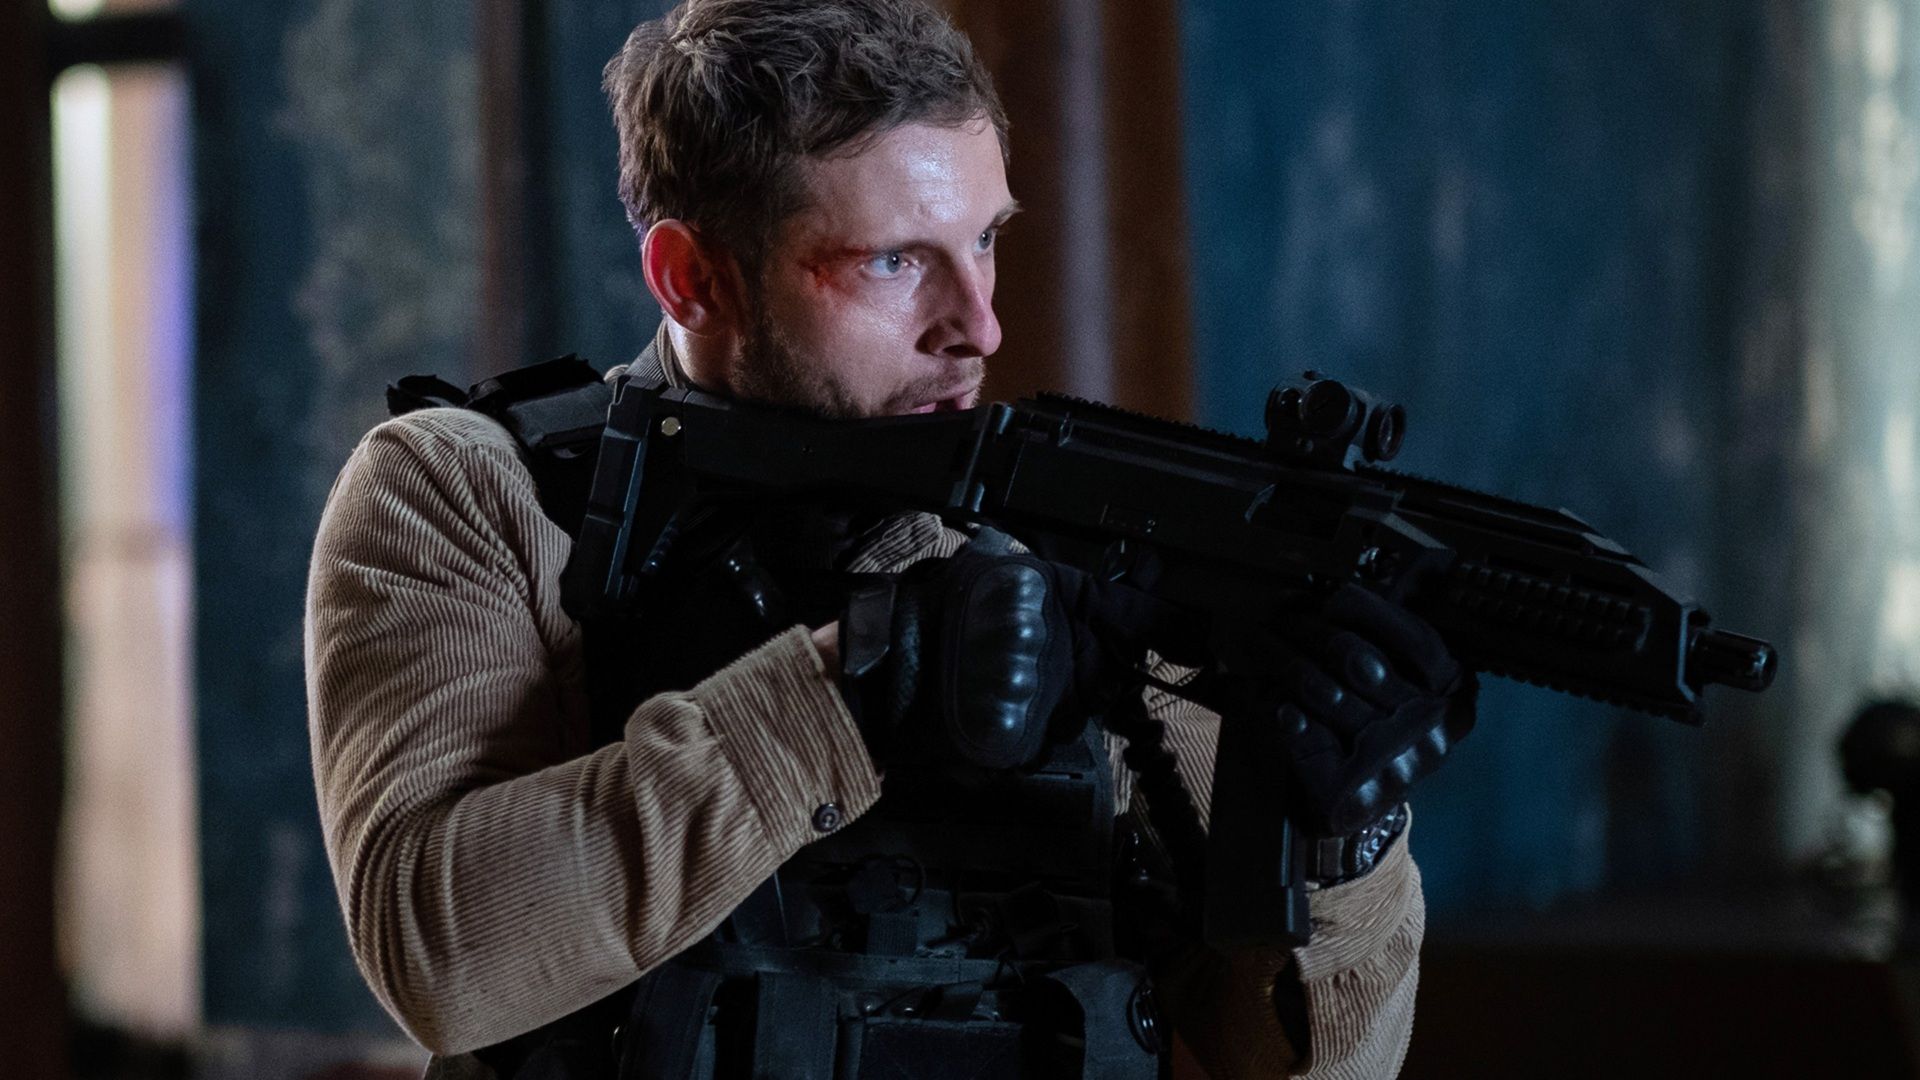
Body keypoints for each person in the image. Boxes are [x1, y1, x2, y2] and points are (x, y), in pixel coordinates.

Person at [304, 1, 1475, 1076]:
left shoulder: (1057, 529)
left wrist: (1341, 847)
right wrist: (855, 686)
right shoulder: (477, 493)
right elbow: (437, 956)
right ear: (692, 278)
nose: (979, 326)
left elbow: (1297, 1063)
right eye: (894, 261)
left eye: (987, 240)